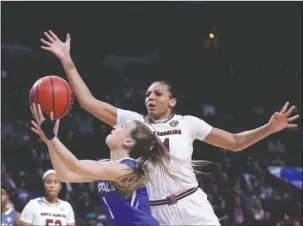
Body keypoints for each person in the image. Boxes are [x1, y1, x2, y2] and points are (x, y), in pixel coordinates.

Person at [40, 30, 300, 225]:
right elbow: (88, 102)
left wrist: (268, 127)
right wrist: (66, 59)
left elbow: (234, 142)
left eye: (158, 94)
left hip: (190, 204)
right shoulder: (134, 122)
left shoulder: (189, 123)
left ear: (172, 101)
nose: (150, 97)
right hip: (154, 211)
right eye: (147, 94)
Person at [29, 104, 180, 226]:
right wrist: (50, 143)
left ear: (128, 142)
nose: (115, 126)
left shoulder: (126, 168)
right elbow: (65, 175)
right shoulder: (106, 167)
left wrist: (53, 138)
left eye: (122, 126)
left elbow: (75, 165)